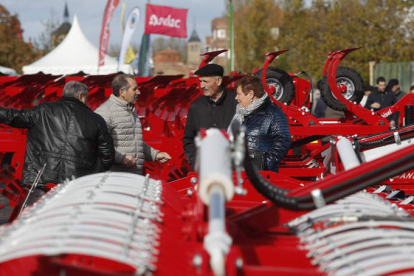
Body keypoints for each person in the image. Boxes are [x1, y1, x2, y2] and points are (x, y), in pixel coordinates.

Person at [0, 81, 115, 188]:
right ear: (81, 96)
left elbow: (13, 116)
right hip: (76, 182)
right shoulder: (96, 120)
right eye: (87, 98)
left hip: (40, 178)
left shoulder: (44, 110)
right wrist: (91, 172)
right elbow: (107, 154)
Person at [95, 74, 171, 175]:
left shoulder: (130, 110)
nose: (138, 92)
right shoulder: (105, 112)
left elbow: (135, 142)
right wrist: (121, 158)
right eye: (134, 89)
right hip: (114, 178)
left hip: (133, 177)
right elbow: (97, 143)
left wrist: (155, 155)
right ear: (122, 92)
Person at [229, 75, 291, 172]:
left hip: (261, 176)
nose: (236, 98)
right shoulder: (241, 113)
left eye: (239, 94)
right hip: (240, 173)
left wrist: (264, 164)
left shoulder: (273, 113)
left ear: (250, 94)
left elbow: (283, 141)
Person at [183, 64, 237, 170]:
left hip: (234, 171)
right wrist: (195, 164)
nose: (202, 85)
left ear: (218, 81)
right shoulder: (196, 106)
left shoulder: (237, 102)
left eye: (205, 81)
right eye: (200, 81)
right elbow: (189, 140)